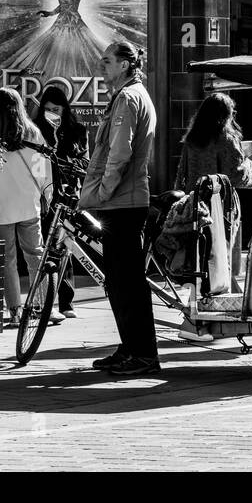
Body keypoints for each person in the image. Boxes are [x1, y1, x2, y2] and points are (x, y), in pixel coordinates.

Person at [80, 42, 158, 376]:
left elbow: (119, 154)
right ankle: (130, 348)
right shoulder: (134, 94)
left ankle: (141, 354)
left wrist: (100, 192)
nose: (102, 65)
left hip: (122, 202)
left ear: (126, 65)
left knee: (126, 282)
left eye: (109, 61)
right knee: (122, 281)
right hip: (126, 200)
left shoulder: (127, 98)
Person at [174, 92, 252, 339]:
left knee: (201, 263)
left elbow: (181, 176)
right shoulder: (226, 139)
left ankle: (204, 318)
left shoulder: (191, 140)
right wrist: (250, 161)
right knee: (224, 262)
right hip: (223, 210)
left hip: (195, 207)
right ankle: (204, 321)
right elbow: (239, 178)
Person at [0, 88, 53, 328]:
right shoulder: (33, 133)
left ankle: (15, 310)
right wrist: (46, 194)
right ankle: (41, 306)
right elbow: (42, 170)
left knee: (7, 259)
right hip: (29, 203)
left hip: (1, 206)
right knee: (35, 254)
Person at [34, 85, 87, 318]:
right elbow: (36, 163)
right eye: (48, 109)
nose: (52, 113)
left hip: (68, 194)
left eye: (56, 109)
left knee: (66, 245)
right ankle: (45, 301)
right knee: (44, 246)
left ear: (65, 109)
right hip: (45, 194)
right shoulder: (37, 131)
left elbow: (85, 162)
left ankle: (66, 301)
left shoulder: (77, 130)